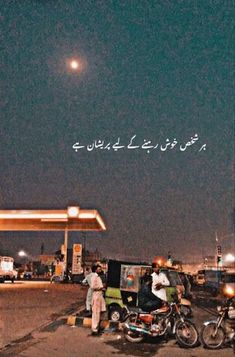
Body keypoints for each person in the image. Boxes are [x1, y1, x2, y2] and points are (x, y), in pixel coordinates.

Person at [90, 264, 106, 336]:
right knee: (96, 313)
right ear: (96, 269)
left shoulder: (98, 277)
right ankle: (94, 329)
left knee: (100, 312)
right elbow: (93, 286)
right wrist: (101, 287)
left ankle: (97, 328)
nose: (100, 270)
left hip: (99, 295)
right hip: (96, 295)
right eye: (99, 269)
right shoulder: (94, 277)